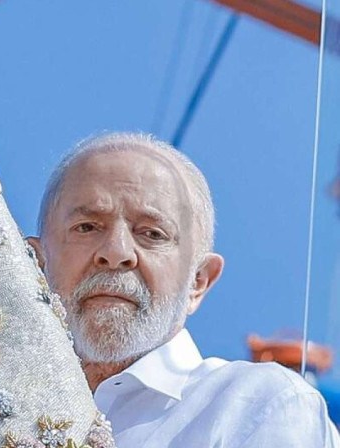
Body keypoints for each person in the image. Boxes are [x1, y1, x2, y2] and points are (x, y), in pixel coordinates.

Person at [28, 132, 340, 447]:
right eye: (87, 227)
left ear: (198, 281)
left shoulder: (259, 405)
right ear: (35, 264)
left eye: (151, 233)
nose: (117, 251)